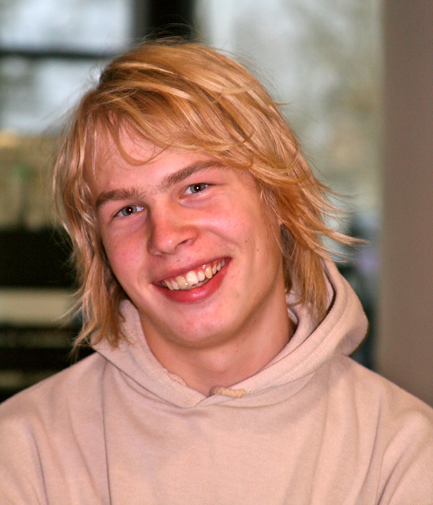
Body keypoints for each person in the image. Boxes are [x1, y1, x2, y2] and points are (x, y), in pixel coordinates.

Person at [0, 40, 432, 504]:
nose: (165, 236)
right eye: (127, 210)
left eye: (196, 187)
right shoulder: (24, 456)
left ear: (276, 196)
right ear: (100, 250)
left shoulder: (403, 457)